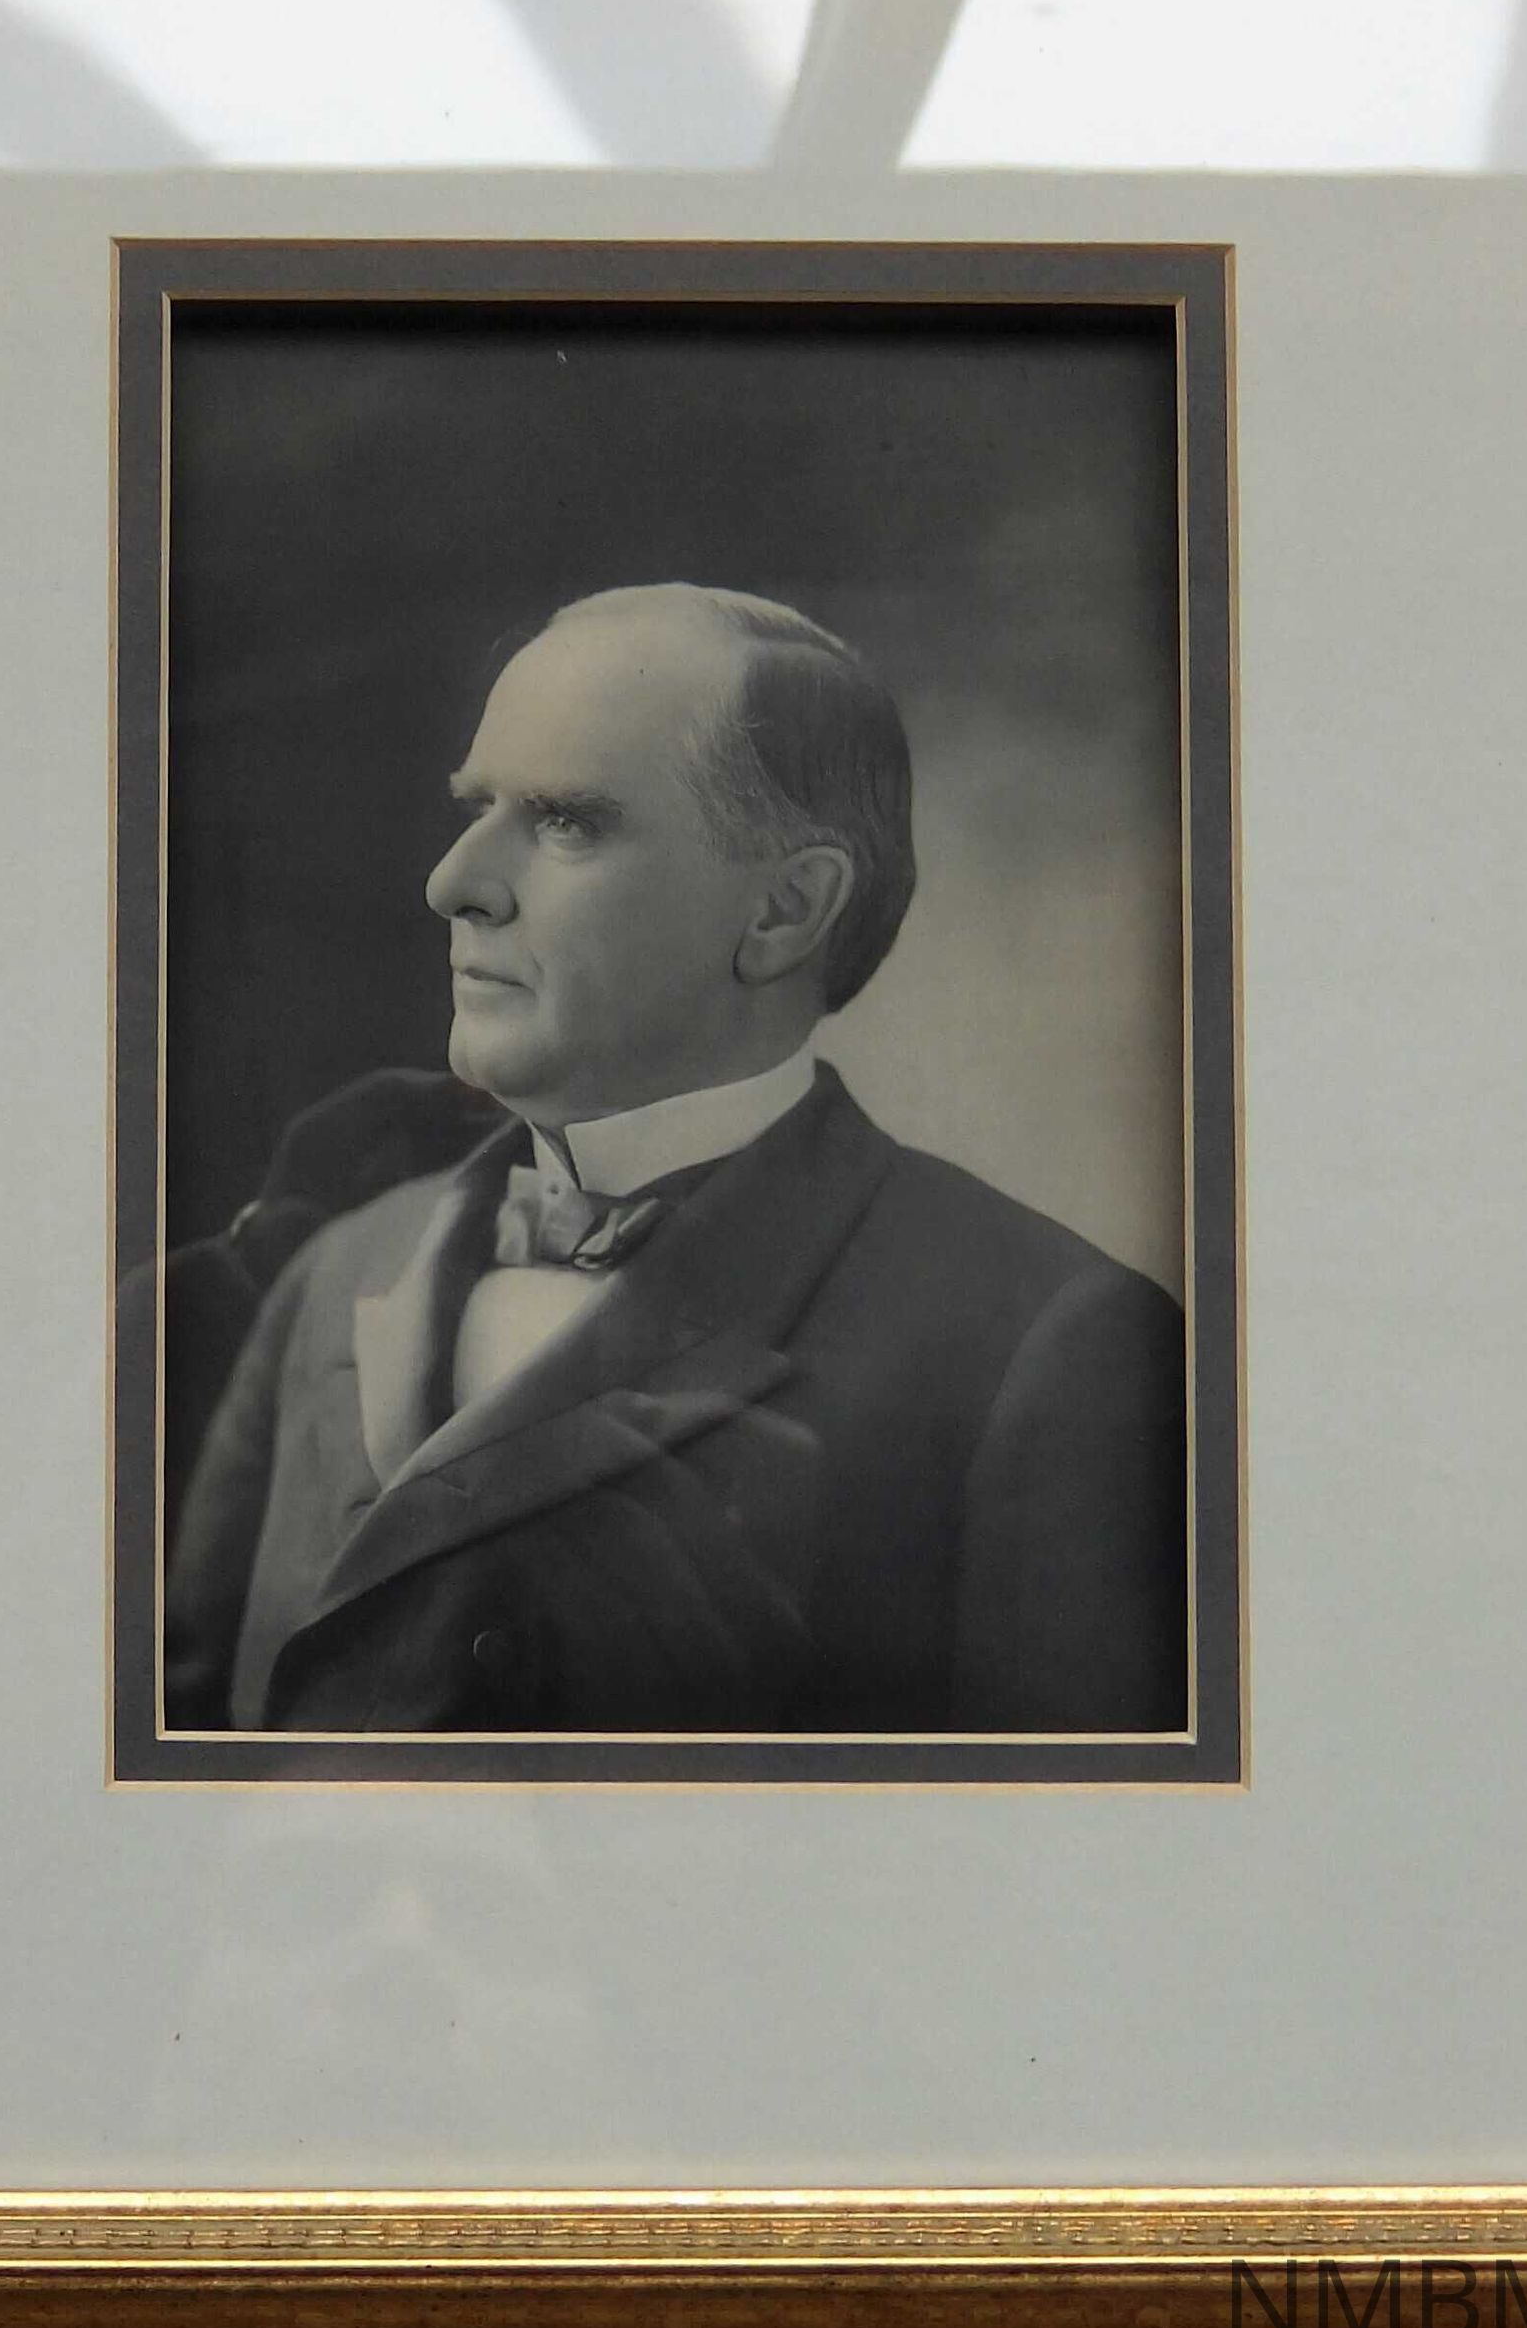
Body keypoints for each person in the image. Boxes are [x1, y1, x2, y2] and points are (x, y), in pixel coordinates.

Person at [164, 583, 1186, 1737]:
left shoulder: (1045, 1348)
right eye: (475, 805)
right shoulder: (341, 1268)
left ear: (785, 910)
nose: (453, 883)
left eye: (566, 822)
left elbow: (1068, 1826)